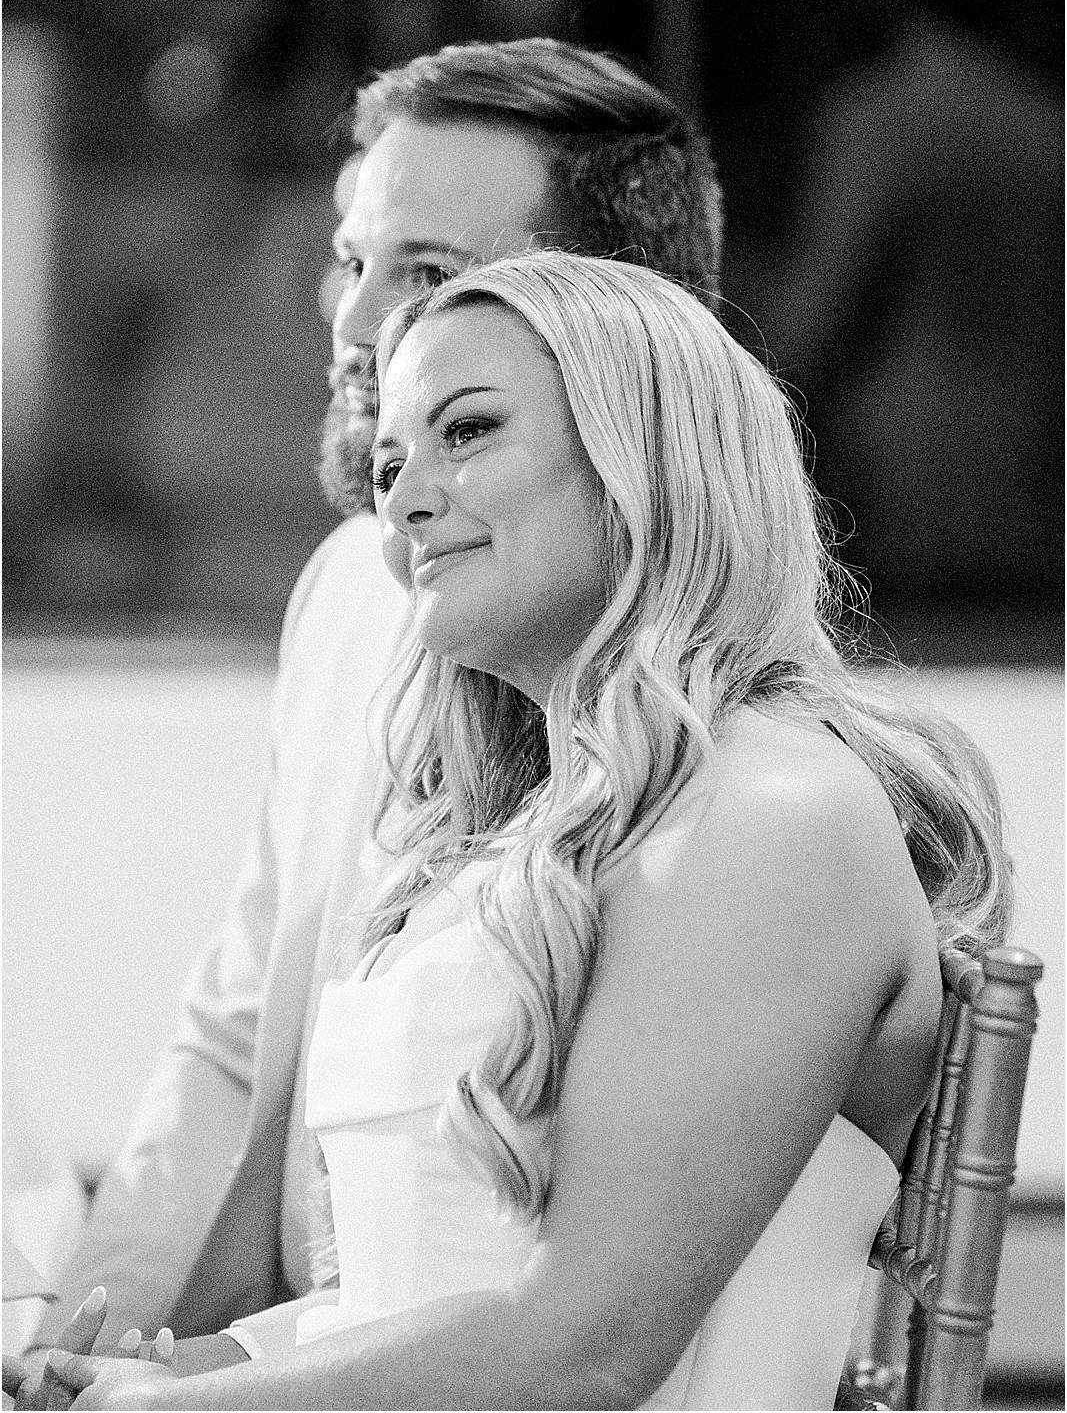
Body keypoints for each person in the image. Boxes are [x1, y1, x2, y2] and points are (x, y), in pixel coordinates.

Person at [41, 252, 1010, 1410]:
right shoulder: (519, 838)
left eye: (467, 431)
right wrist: (187, 1368)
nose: (399, 499)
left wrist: (166, 1412)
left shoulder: (775, 816)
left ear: (641, 451)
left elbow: (581, 1349)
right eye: (393, 458)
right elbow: (410, 1304)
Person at [9, 39, 726, 1401]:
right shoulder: (350, 595)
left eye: (423, 273)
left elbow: (584, 1333)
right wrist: (80, 1351)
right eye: (352, 262)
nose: (351, 330)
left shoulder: (737, 792)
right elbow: (231, 1045)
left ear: (616, 319)